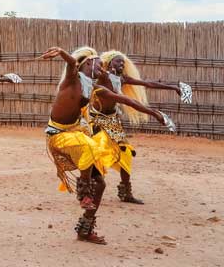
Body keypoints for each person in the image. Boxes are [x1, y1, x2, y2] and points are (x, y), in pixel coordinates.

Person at [41, 46, 174, 245]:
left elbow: (126, 99)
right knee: (91, 145)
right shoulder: (72, 79)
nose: (102, 67)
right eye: (98, 63)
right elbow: (71, 62)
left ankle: (85, 229)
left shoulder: (95, 89)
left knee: (101, 184)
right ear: (87, 63)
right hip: (59, 135)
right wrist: (61, 52)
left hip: (77, 133)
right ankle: (83, 193)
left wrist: (155, 114)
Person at [95, 50, 188, 203]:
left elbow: (148, 83)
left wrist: (173, 87)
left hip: (112, 122)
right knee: (97, 153)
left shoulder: (122, 79)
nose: (122, 64)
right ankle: (88, 189)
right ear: (110, 62)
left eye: (123, 62)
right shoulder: (102, 76)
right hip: (96, 121)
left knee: (125, 154)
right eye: (118, 61)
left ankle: (125, 192)